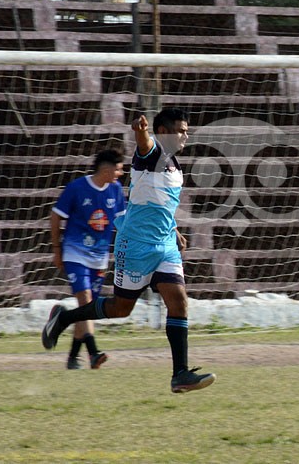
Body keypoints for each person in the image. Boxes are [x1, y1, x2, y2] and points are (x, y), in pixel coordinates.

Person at [42, 107, 216, 393]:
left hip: (164, 245)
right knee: (122, 308)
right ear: (163, 131)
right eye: (181, 130)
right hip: (135, 245)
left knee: (179, 301)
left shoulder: (173, 162)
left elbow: (158, 202)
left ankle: (180, 374)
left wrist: (174, 230)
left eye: (187, 130)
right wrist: (140, 131)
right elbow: (144, 144)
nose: (186, 135)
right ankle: (65, 317)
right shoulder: (152, 153)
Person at [50, 149, 126, 370]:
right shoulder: (76, 188)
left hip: (99, 257)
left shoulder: (116, 190)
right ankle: (93, 353)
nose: (120, 174)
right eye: (119, 169)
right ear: (106, 168)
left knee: (87, 308)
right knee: (85, 300)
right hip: (75, 253)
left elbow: (122, 223)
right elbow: (55, 217)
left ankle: (73, 356)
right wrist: (57, 249)